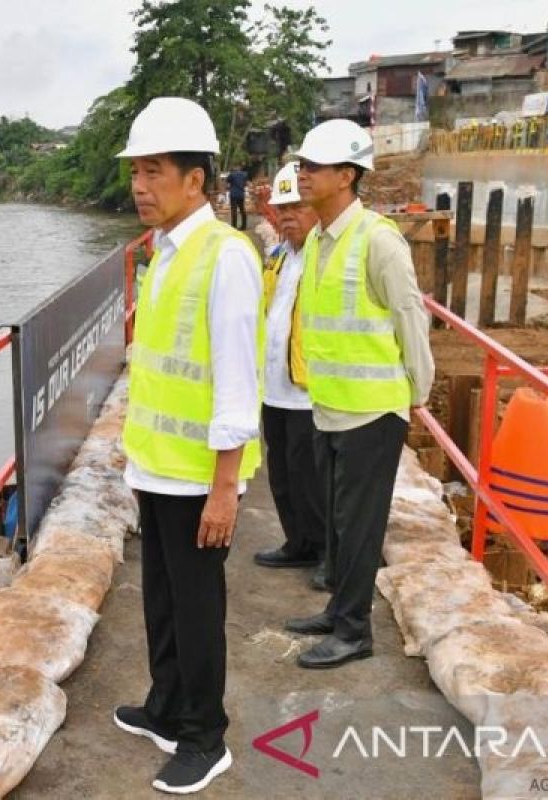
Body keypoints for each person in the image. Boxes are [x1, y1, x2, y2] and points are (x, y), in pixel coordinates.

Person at [112, 96, 264, 794]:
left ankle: (206, 736)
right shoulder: (164, 251)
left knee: (198, 611)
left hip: (200, 477)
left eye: (155, 171)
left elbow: (236, 379)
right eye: (135, 171)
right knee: (162, 601)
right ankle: (166, 707)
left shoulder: (225, 256)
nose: (140, 185)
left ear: (196, 180)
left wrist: (225, 486)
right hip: (157, 469)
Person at [282, 119, 434, 669]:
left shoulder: (377, 239)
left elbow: (408, 315)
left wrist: (419, 388)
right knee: (335, 519)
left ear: (347, 175)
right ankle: (339, 609)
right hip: (329, 407)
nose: (302, 174)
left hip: (372, 412)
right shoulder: (321, 238)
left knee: (359, 524)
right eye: (302, 165)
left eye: (314, 167)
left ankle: (354, 631)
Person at [252, 161, 328, 592]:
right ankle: (296, 541)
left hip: (307, 391)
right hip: (275, 389)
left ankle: (323, 552)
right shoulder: (280, 256)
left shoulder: (323, 256)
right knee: (281, 472)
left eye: (296, 206)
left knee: (311, 478)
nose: (286, 216)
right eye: (281, 208)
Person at [225, 163, 249, 231]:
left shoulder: (232, 174)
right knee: (242, 210)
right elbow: (245, 183)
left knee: (234, 211)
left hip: (233, 195)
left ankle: (234, 226)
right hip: (241, 194)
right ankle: (244, 226)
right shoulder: (244, 174)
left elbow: (227, 181)